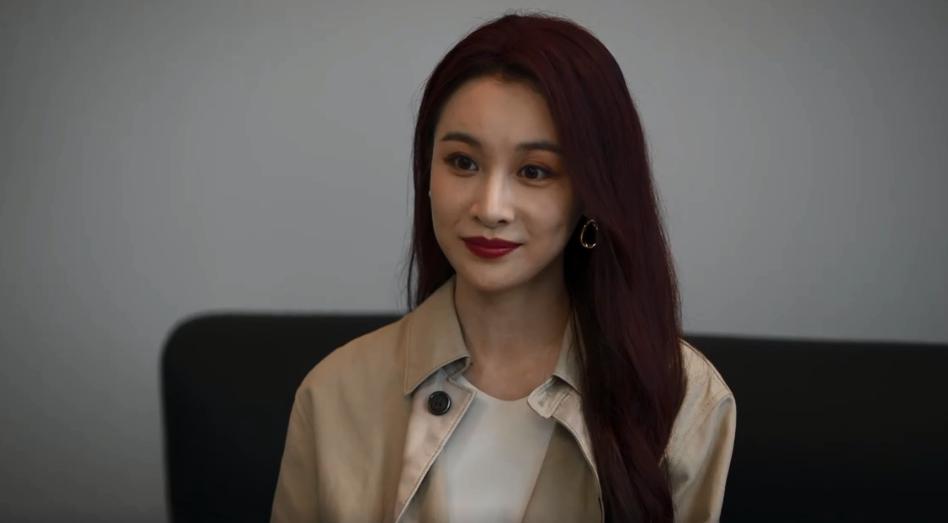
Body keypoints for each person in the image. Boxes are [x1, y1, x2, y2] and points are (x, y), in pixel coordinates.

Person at [270, 10, 735, 523]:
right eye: (463, 162)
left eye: (534, 171)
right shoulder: (333, 394)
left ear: (591, 192)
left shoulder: (684, 398)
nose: (490, 207)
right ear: (427, 170)